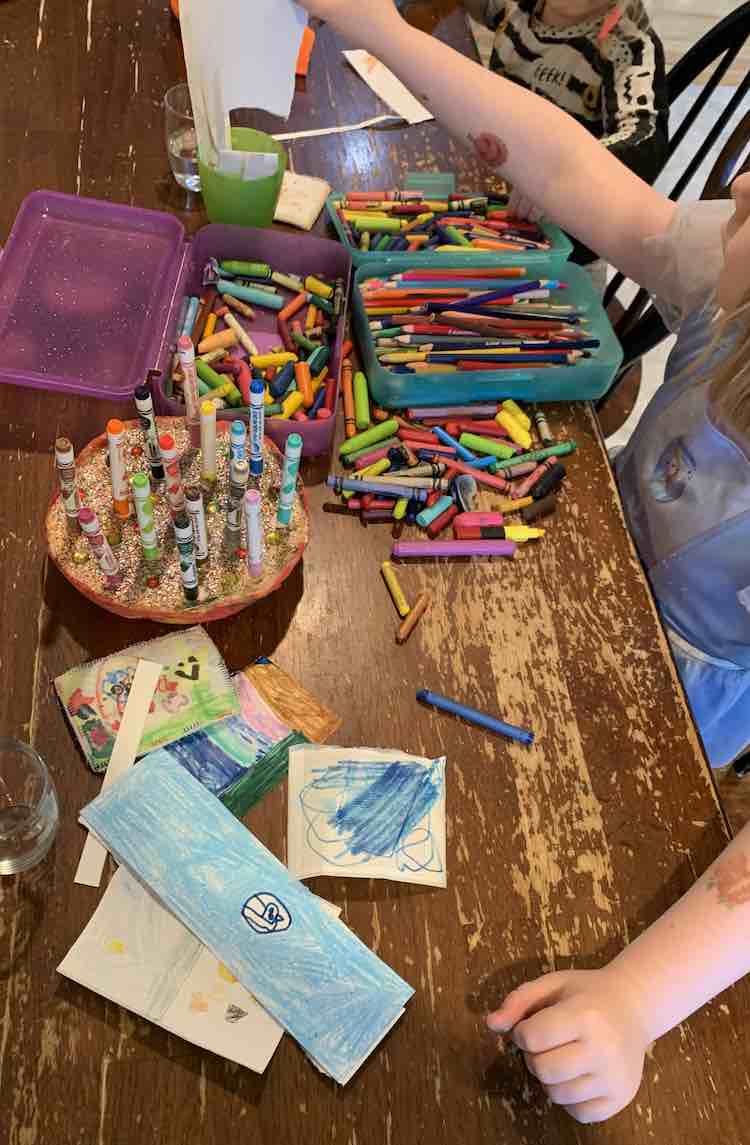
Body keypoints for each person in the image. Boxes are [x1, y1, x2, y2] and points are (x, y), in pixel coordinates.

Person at [299, 0, 750, 1122]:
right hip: (556, 553)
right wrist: (375, 26)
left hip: (655, 739)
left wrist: (641, 996)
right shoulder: (739, 290)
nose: (737, 185)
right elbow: (562, 163)